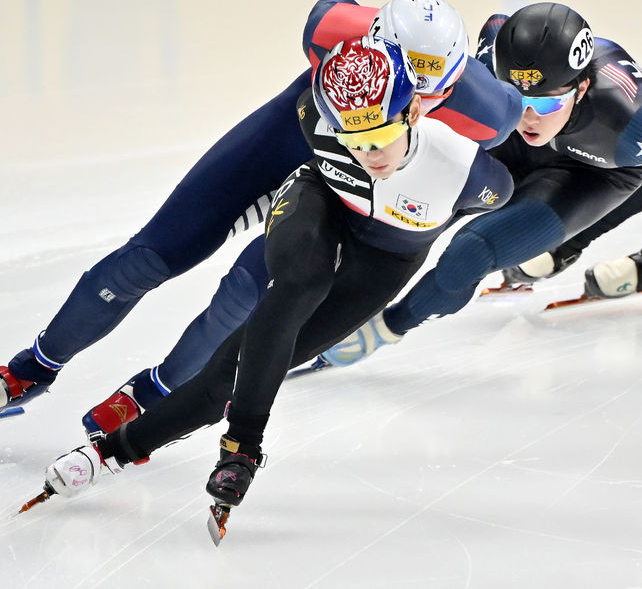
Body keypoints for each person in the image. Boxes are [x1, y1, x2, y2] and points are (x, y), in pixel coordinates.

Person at [40, 36, 514, 522]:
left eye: (377, 138)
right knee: (297, 286)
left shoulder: (470, 173)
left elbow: (484, 202)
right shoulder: (316, 115)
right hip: (322, 202)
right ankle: (239, 449)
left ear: (414, 111)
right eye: (353, 141)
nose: (368, 153)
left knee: (234, 369)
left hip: (387, 256)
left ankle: (115, 450)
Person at [0, 0, 521, 423]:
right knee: (150, 256)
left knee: (245, 295)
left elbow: (492, 161)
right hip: (294, 133)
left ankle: (153, 394)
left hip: (358, 182)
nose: (415, 108)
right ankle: (29, 370)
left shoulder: (487, 114)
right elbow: (333, 5)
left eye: (436, 96)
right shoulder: (334, 29)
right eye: (403, 87)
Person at [318, 1, 642, 368]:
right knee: (407, 211)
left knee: (471, 252)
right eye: (517, 98)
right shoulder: (492, 52)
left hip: (594, 173)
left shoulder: (628, 121)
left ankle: (380, 331)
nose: (529, 116)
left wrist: (579, 236)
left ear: (582, 89)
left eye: (547, 104)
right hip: (513, 145)